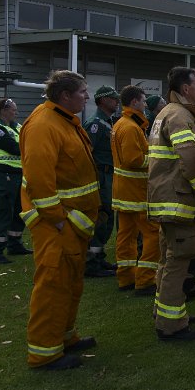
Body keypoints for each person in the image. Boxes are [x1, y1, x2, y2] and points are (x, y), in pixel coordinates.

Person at [20, 70, 101, 370]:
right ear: (65, 95)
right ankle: (44, 353)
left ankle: (64, 337)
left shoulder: (63, 119)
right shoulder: (44, 125)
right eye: (82, 92)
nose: (87, 97)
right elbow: (40, 181)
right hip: (57, 223)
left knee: (70, 283)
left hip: (72, 222)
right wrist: (57, 220)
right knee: (53, 284)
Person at [148, 67, 195, 341]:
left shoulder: (164, 113)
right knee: (178, 259)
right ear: (185, 89)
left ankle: (165, 312)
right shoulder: (181, 115)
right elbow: (190, 158)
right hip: (178, 199)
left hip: (164, 198)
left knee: (167, 257)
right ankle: (171, 325)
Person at [111, 85, 160, 295]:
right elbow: (134, 160)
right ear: (134, 102)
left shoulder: (122, 124)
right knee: (153, 234)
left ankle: (126, 277)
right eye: (142, 100)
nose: (145, 104)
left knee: (126, 235)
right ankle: (145, 280)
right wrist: (156, 159)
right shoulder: (130, 127)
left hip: (124, 192)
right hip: (136, 192)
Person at [83, 85, 120, 278]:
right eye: (113, 99)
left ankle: (99, 256)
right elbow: (87, 154)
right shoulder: (95, 124)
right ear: (104, 101)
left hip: (109, 175)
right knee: (100, 218)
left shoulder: (109, 122)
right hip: (100, 176)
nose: (117, 102)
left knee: (107, 218)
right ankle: (91, 262)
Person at [0, 98, 31, 263]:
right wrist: (27, 147)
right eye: (13, 109)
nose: (16, 112)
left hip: (18, 175)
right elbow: (15, 148)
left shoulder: (18, 127)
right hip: (3, 174)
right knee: (3, 212)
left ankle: (15, 245)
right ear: (4, 111)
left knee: (18, 211)